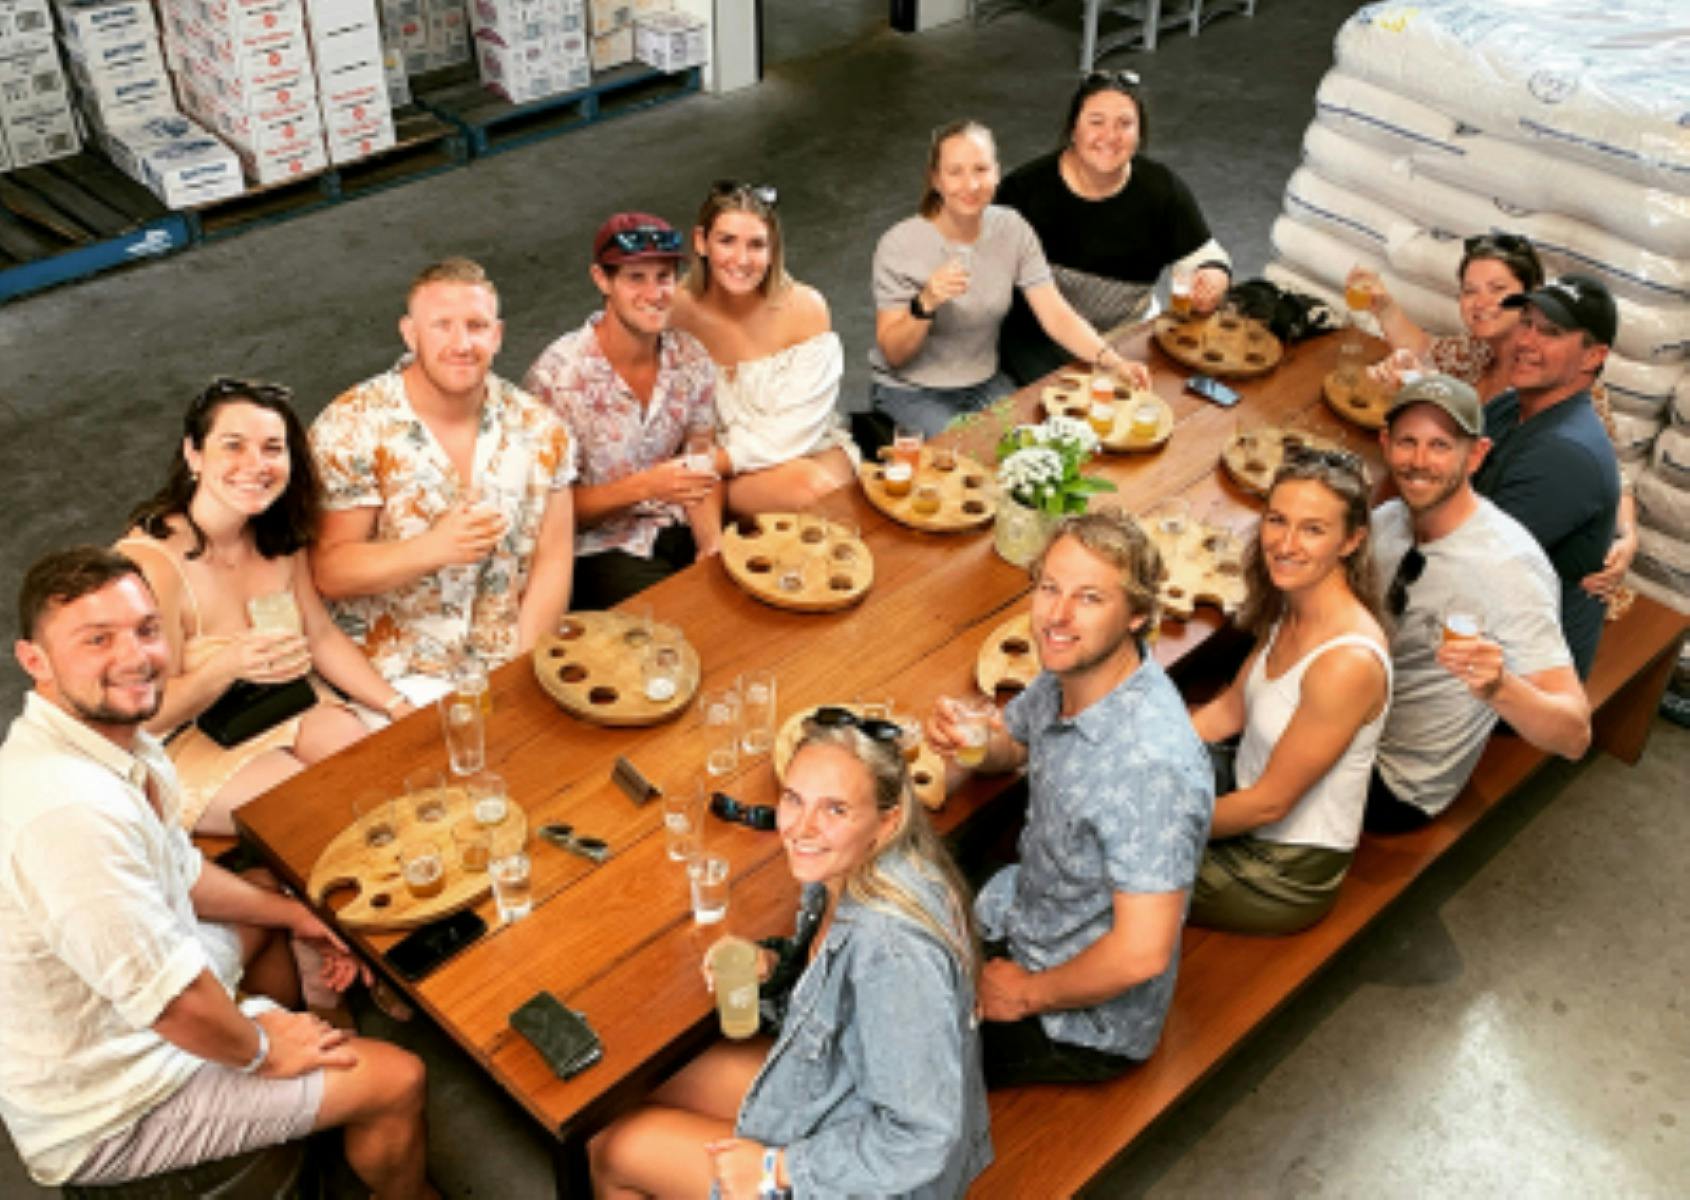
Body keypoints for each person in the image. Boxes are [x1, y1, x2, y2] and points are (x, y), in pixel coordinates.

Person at [0, 547, 435, 1197]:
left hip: (139, 1007)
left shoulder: (116, 743)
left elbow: (182, 874)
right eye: (97, 640)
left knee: (261, 895)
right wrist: (266, 1048)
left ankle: (299, 1083)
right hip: (111, 1104)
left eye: (146, 630)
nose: (135, 656)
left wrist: (298, 915)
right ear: (35, 661)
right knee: (396, 1078)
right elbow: (172, 1003)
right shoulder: (67, 815)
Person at [589, 716, 991, 1199]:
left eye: (835, 810)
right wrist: (773, 964)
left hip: (873, 1180)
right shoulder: (859, 870)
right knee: (632, 1091)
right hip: (840, 1095)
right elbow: (842, 1006)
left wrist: (776, 1168)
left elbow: (922, 1138)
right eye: (793, 799)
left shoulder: (892, 951)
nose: (801, 828)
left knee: (611, 1151)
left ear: (886, 822)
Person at [927, 510, 1212, 1086]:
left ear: (1136, 615)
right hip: (1025, 909)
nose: (1056, 616)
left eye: (1088, 598)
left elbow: (1142, 953)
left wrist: (1026, 994)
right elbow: (1017, 744)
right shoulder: (1074, 668)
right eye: (1049, 588)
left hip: (1077, 1021)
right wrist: (976, 744)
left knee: (893, 1054)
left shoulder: (1153, 766)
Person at [118, 379, 411, 836]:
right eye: (233, 446)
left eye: (273, 448)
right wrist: (227, 666)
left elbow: (319, 634)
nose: (255, 465)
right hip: (188, 736)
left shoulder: (277, 534)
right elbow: (147, 714)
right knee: (324, 815)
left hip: (283, 701)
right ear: (194, 454)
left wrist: (396, 706)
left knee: (384, 782)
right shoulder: (151, 563)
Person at [311, 257, 577, 699]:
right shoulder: (352, 426)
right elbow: (328, 571)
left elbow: (554, 559)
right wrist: (431, 549)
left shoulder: (541, 428)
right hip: (391, 676)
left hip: (502, 662)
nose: (461, 343)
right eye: (441, 326)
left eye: (476, 325)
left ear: (497, 335)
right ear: (409, 333)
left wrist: (523, 672)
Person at [1349, 237, 1637, 606]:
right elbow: (1426, 351)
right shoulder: (1484, 358)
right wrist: (1387, 314)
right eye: (1470, 291)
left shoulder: (1568, 412)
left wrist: (1626, 533)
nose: (1480, 302)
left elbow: (1609, 474)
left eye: (1497, 290)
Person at [1365, 375, 1591, 834]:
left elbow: (1574, 735)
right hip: (1350, 724)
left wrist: (1499, 688)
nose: (1419, 462)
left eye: (1440, 446)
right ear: (1386, 444)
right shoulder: (1388, 520)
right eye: (1407, 442)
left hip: (1394, 782)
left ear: (1477, 455)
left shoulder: (1507, 566)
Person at [1188, 448, 1391, 935]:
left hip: (1281, 866)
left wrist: (1156, 826)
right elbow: (1230, 710)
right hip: (1242, 793)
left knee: (1107, 859)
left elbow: (1269, 805)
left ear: (1351, 541)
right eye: (1277, 520)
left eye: (1313, 529)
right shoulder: (1296, 602)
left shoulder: (1347, 663)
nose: (1286, 543)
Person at [870, 119, 1153, 438]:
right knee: (972, 454)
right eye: (955, 172)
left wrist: (1112, 361)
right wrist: (925, 303)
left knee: (1041, 445)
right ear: (935, 179)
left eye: (981, 170)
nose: (971, 185)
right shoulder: (899, 244)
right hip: (911, 390)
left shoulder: (1012, 229)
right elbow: (893, 355)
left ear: (996, 172)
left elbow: (1056, 314)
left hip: (984, 381)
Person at [525, 213, 724, 609]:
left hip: (677, 525)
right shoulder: (555, 380)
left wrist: (713, 544)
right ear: (602, 280)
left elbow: (701, 465)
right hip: (598, 551)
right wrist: (645, 487)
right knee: (686, 619)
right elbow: (545, 513)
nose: (654, 294)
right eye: (636, 278)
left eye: (664, 277)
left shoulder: (691, 357)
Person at [996, 70, 1232, 385]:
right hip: (1038, 338)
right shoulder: (1024, 191)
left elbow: (1206, 255)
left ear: (1140, 134)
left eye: (1124, 124)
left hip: (1126, 335)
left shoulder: (1161, 189)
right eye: (1096, 122)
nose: (1110, 136)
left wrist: (1214, 277)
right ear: (1073, 129)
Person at [669, 180, 860, 515]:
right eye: (727, 241)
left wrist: (713, 462)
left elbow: (796, 430)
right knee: (815, 497)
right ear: (701, 242)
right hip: (726, 469)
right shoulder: (674, 312)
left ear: (773, 252)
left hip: (805, 445)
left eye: (756, 245)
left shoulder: (805, 308)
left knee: (826, 498)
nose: (741, 260)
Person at [1474, 275, 1624, 678]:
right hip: (1483, 623)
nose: (1526, 341)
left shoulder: (1565, 454)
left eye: (1551, 333)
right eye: (1526, 323)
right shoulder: (1511, 405)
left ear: (1593, 356)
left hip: (1518, 674)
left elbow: (1473, 561)